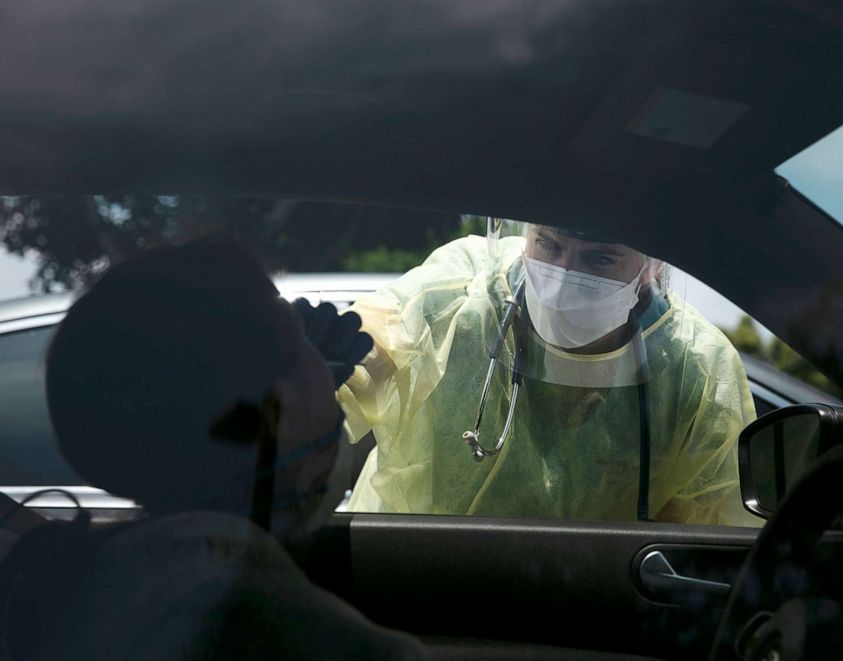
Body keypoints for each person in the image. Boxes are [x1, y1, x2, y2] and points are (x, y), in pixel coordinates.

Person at [0, 236, 427, 660]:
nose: (325, 366)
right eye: (303, 346)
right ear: (282, 404)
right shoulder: (267, 622)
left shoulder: (70, 585)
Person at [338, 219, 759, 525]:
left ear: (652, 268)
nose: (563, 276)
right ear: (525, 235)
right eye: (549, 245)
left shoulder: (695, 368)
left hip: (572, 615)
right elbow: (356, 358)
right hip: (404, 582)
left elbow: (713, 536)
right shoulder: (458, 294)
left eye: (599, 258)